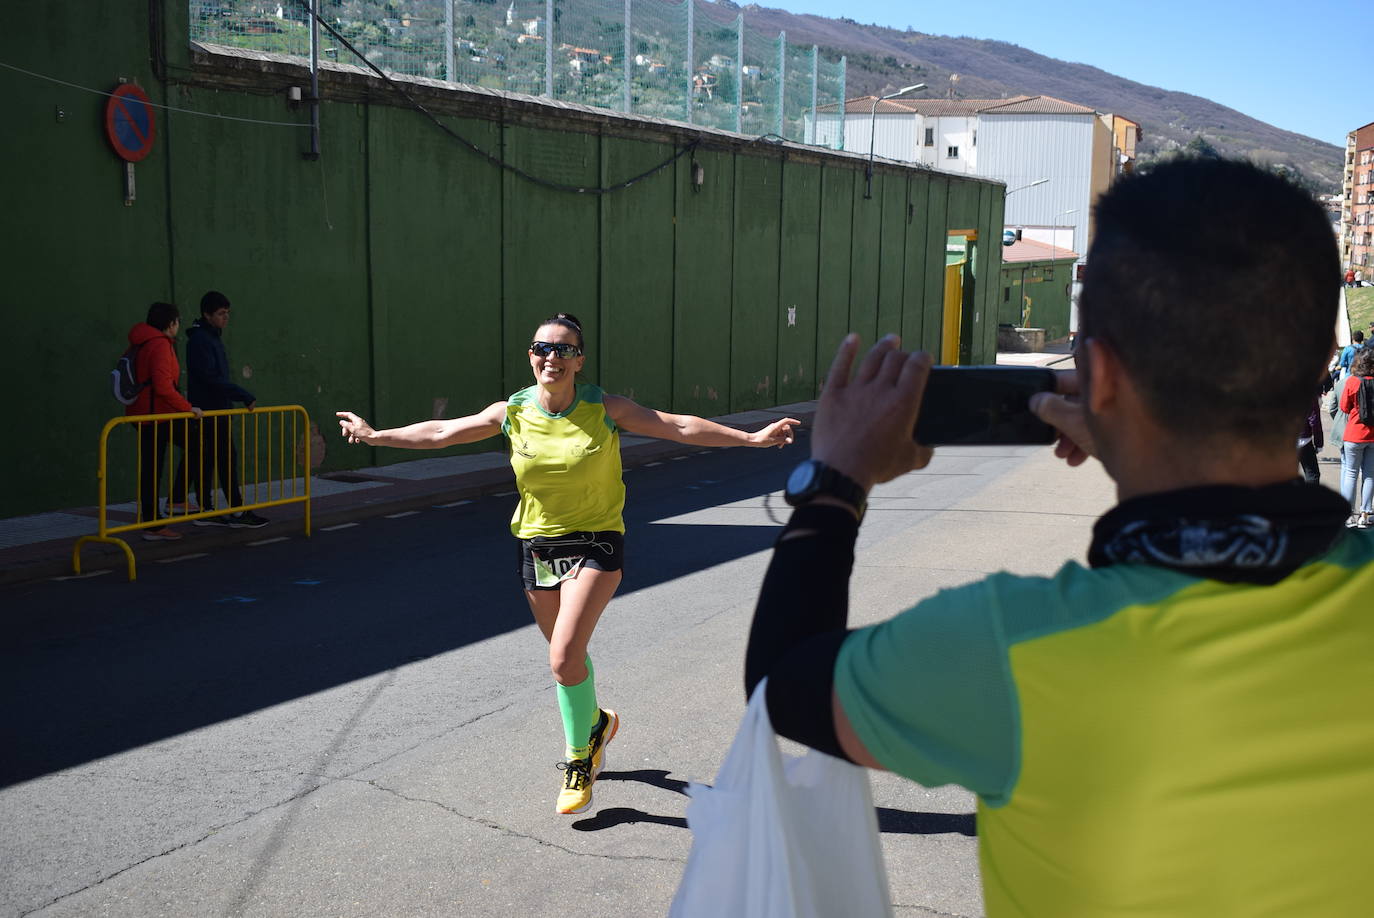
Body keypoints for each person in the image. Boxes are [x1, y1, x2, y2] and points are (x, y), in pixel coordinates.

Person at [745, 159, 1372, 916]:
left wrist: (836, 480)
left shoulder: (1008, 646)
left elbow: (782, 682)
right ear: (1318, 369)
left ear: (1097, 374)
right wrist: (1136, 440)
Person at [336, 313, 799, 815]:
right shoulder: (513, 410)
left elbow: (679, 425)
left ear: (579, 360)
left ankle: (580, 757)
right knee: (570, 661)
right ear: (530, 356)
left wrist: (751, 438)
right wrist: (378, 436)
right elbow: (444, 431)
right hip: (537, 544)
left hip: (597, 541)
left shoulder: (604, 407)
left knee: (561, 657)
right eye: (542, 348)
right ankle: (596, 723)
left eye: (563, 350)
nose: (551, 357)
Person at [171, 290, 268, 528]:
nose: (226, 318)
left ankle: (218, 508)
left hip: (218, 409)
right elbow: (209, 378)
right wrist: (242, 395)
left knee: (219, 458)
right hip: (208, 411)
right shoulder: (201, 340)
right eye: (221, 314)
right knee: (216, 459)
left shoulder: (212, 337)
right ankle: (219, 509)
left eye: (227, 313)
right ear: (207, 314)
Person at [124, 302, 203, 541]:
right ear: (171, 324)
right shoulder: (159, 344)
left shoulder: (143, 341)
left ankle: (158, 515)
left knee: (153, 467)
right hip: (157, 415)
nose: (178, 326)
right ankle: (158, 518)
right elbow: (162, 386)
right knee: (194, 444)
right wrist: (189, 409)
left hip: (146, 413)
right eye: (177, 321)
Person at [1339, 347, 1374, 529]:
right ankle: (1365, 514)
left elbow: (1344, 407)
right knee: (1369, 474)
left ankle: (1348, 515)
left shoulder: (1352, 382)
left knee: (1350, 474)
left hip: (1354, 434)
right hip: (1373, 435)